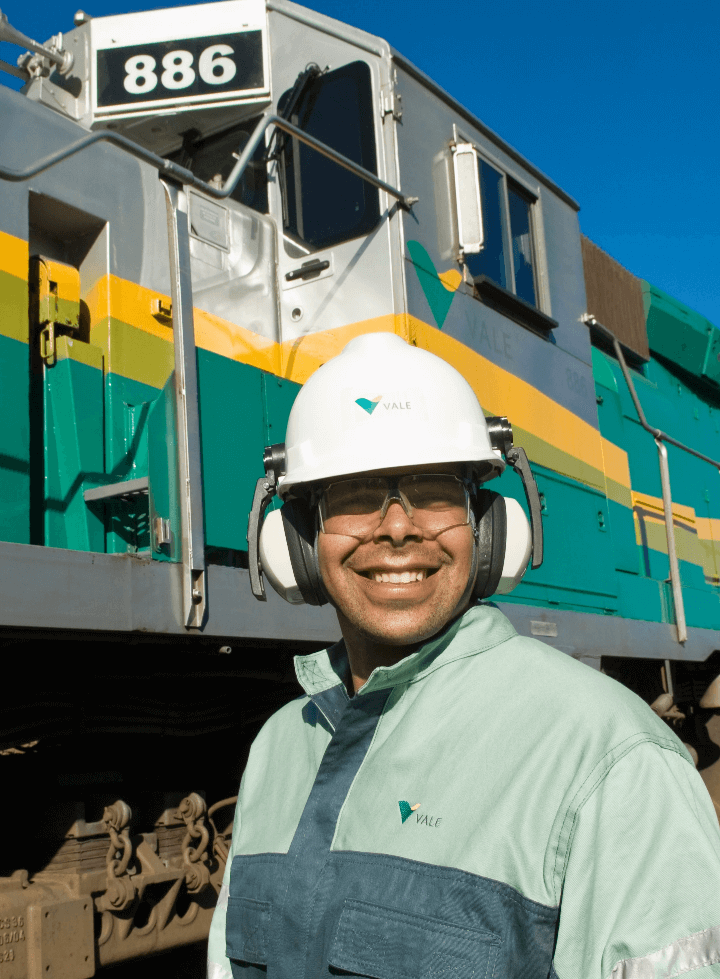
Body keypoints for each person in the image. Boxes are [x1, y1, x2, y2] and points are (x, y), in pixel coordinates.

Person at [208, 333, 720, 979]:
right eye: (356, 494)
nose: (397, 526)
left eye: (433, 490)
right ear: (300, 542)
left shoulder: (612, 759)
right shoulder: (277, 749)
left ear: (487, 529)